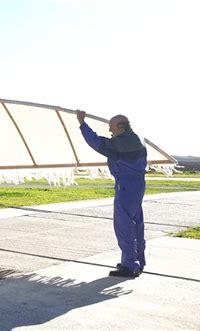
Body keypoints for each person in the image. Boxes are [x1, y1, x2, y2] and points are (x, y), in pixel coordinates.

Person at [77, 110, 147, 277]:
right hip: (136, 186)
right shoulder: (136, 139)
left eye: (112, 128)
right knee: (136, 224)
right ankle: (136, 261)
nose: (110, 131)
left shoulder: (124, 143)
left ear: (122, 128)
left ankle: (129, 266)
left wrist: (82, 123)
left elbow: (96, 142)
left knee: (124, 226)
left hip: (126, 187)